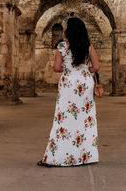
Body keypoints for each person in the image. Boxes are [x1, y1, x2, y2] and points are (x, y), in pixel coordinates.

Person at [37, 17, 100, 167]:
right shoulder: (89, 46)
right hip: (85, 83)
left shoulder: (62, 46)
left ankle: (57, 157)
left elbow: (57, 68)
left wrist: (69, 69)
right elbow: (96, 67)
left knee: (64, 118)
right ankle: (86, 156)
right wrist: (85, 70)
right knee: (85, 119)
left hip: (69, 83)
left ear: (68, 31)